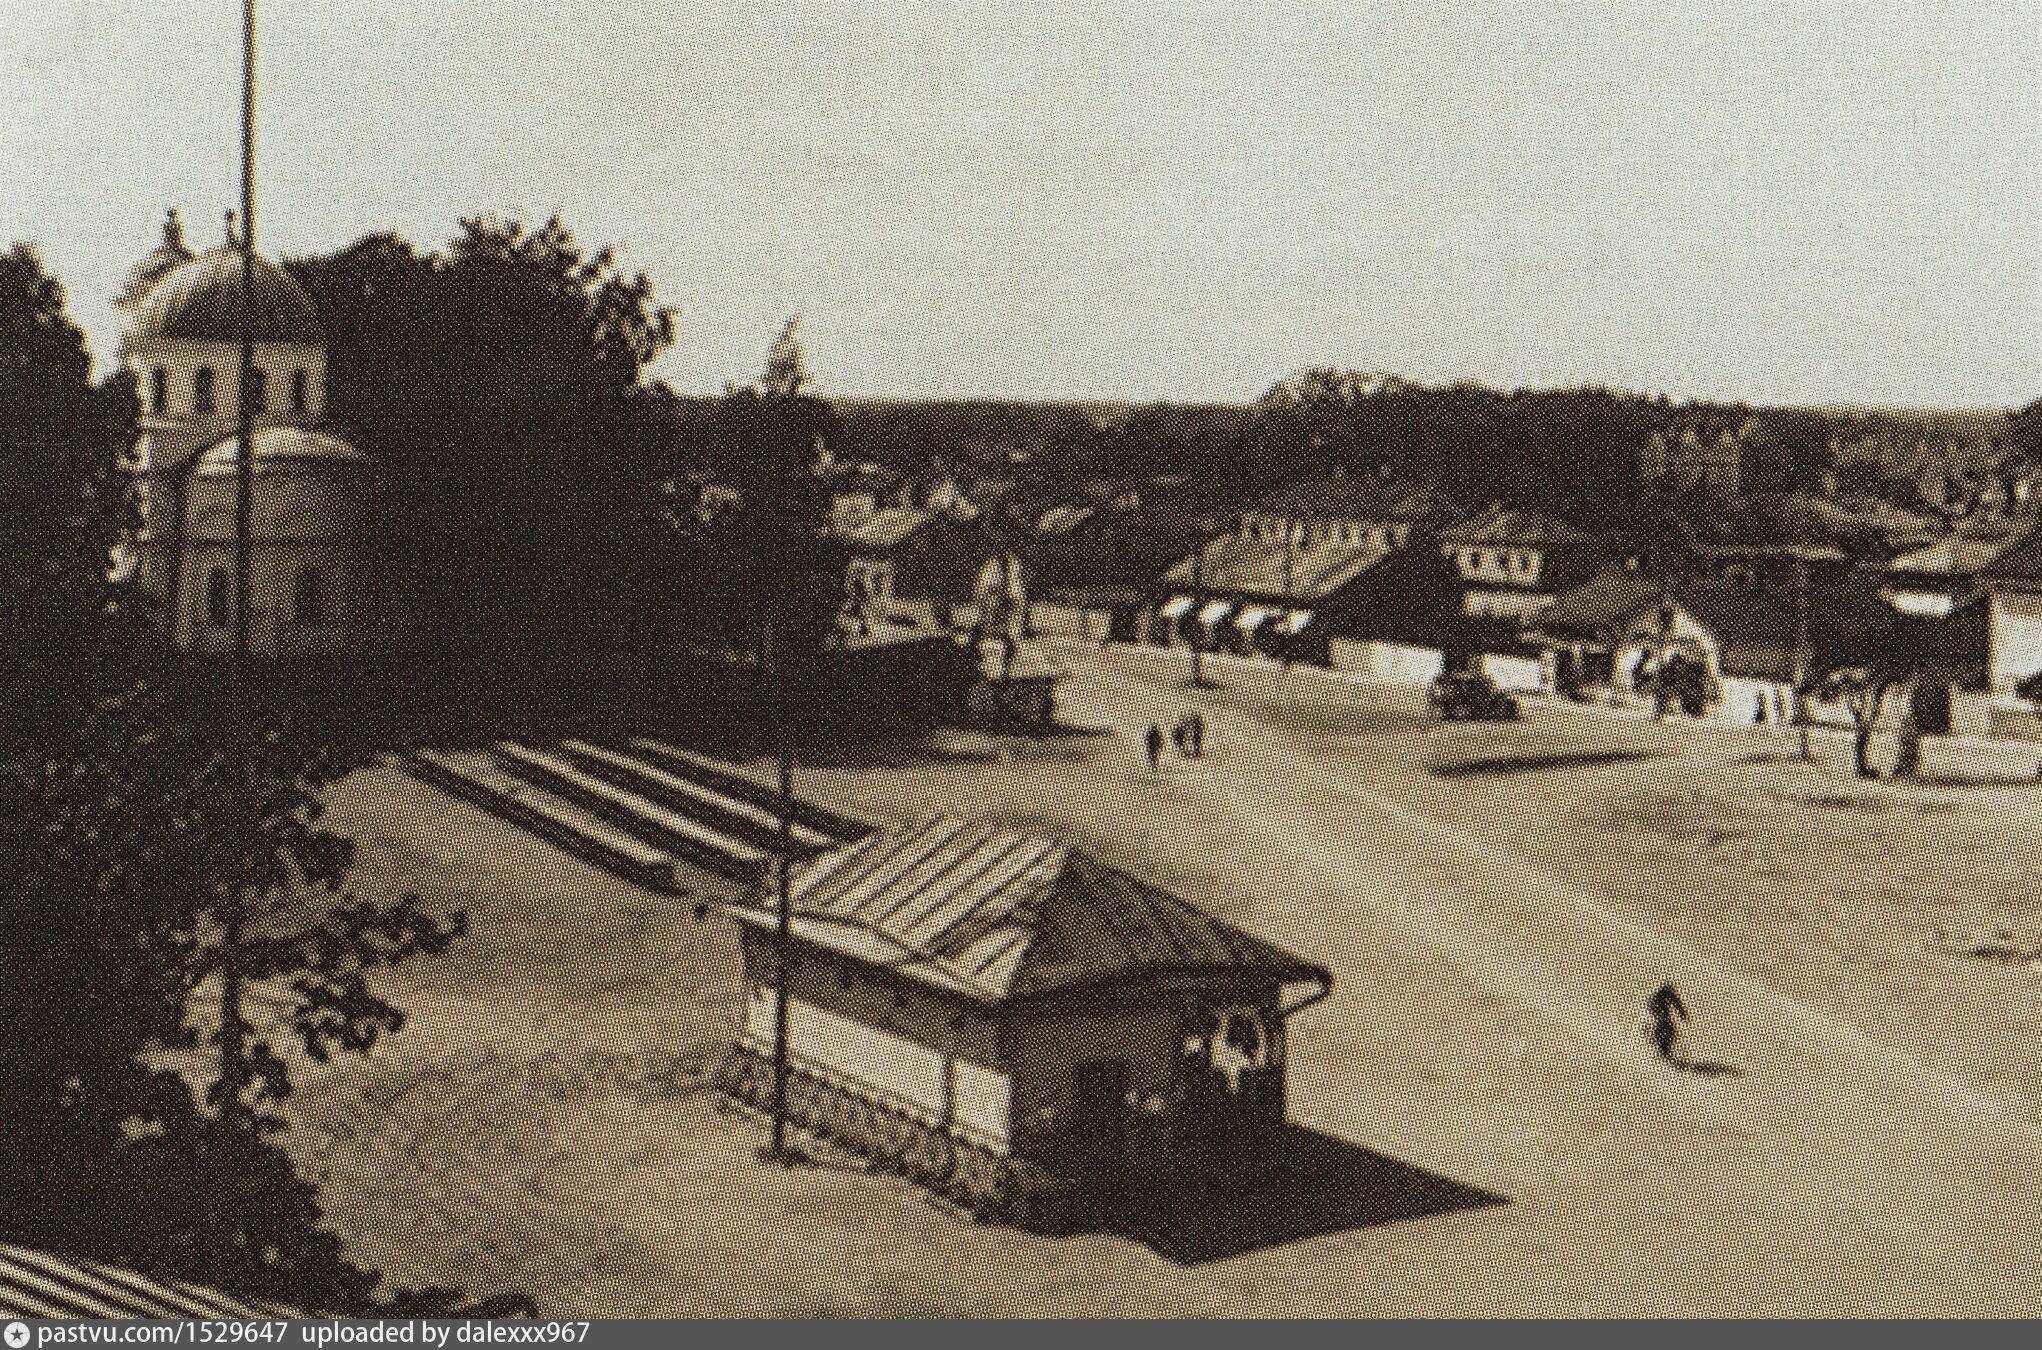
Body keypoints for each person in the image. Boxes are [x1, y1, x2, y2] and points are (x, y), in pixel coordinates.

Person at [1646, 983, 1689, 1066]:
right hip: (1660, 1024)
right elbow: (1676, 1003)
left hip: (1661, 1023)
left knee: (1665, 1034)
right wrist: (1682, 1013)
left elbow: (1676, 1003)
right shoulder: (1657, 1001)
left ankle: (1664, 1056)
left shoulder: (1658, 999)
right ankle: (1663, 1057)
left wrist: (1682, 1013)